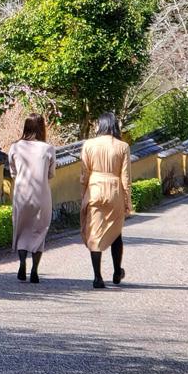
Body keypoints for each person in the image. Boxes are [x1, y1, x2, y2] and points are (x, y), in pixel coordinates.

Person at [79, 111, 133, 289]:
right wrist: (127, 201)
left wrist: (84, 193)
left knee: (95, 232)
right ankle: (117, 271)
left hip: (95, 189)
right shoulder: (122, 146)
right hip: (115, 190)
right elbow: (126, 177)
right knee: (116, 232)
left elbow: (84, 173)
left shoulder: (89, 144)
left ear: (100, 125)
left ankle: (97, 277)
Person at [9, 114, 56, 283]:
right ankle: (35, 270)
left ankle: (22, 263)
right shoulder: (48, 149)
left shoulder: (15, 147)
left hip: (21, 193)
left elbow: (13, 172)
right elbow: (51, 174)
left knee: (22, 230)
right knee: (39, 230)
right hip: (41, 193)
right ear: (42, 127)